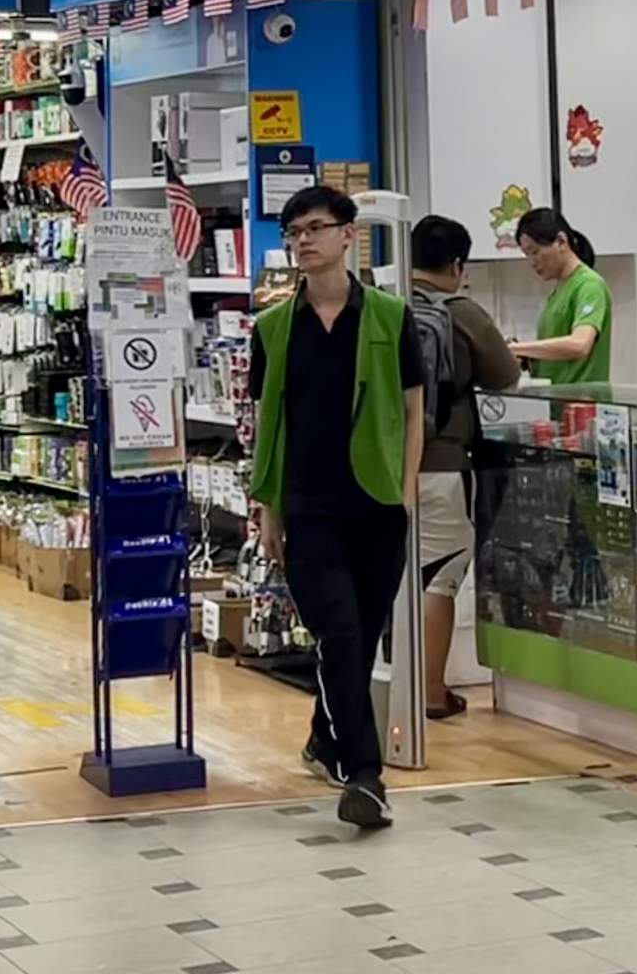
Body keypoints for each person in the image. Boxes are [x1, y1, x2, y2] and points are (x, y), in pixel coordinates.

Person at [250, 185, 424, 830]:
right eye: (294, 232)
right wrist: (269, 506)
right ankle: (364, 777)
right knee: (340, 633)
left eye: (316, 228)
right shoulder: (273, 329)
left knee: (361, 634)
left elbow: (413, 410)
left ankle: (326, 737)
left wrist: (405, 491)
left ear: (349, 235)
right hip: (308, 506)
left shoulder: (390, 317)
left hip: (377, 503)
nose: (304, 241)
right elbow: (269, 423)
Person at [411, 215, 521, 719]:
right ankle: (431, 692)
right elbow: (506, 376)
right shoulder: (461, 313)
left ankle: (389, 684)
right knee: (439, 578)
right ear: (457, 265)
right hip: (442, 461)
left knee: (393, 578)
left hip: (380, 466)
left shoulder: (381, 305)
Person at [509, 208, 613, 384]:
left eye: (535, 252)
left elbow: (579, 345)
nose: (532, 262)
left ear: (561, 241)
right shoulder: (558, 291)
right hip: (554, 398)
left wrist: (517, 349)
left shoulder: (589, 285)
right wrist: (527, 356)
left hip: (581, 399)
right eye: (527, 255)